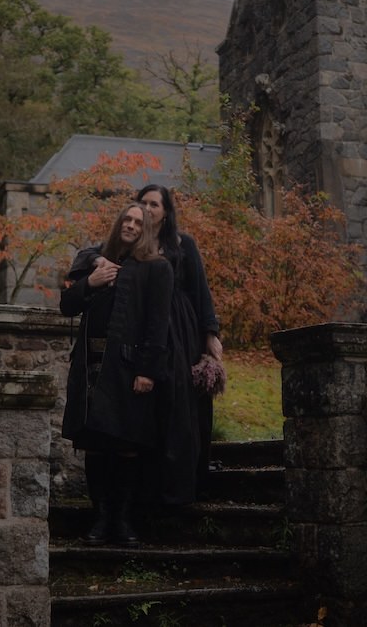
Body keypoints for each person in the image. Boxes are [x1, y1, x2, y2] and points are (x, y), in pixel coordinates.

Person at [60, 203, 174, 546]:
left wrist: (148, 371)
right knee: (94, 444)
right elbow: (67, 305)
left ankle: (122, 521)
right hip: (91, 367)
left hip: (128, 369)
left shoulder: (157, 268)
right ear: (118, 223)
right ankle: (100, 519)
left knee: (126, 444)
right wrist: (91, 282)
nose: (131, 225)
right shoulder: (98, 260)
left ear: (145, 229)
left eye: (138, 222)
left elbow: (158, 324)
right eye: (126, 219)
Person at [135, 184, 224, 501]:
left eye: (154, 204)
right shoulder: (134, 242)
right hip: (145, 326)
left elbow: (200, 289)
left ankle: (184, 484)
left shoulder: (183, 243)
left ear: (166, 211)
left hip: (182, 329)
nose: (148, 209)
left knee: (181, 401)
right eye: (143, 203)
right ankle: (149, 486)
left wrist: (210, 333)